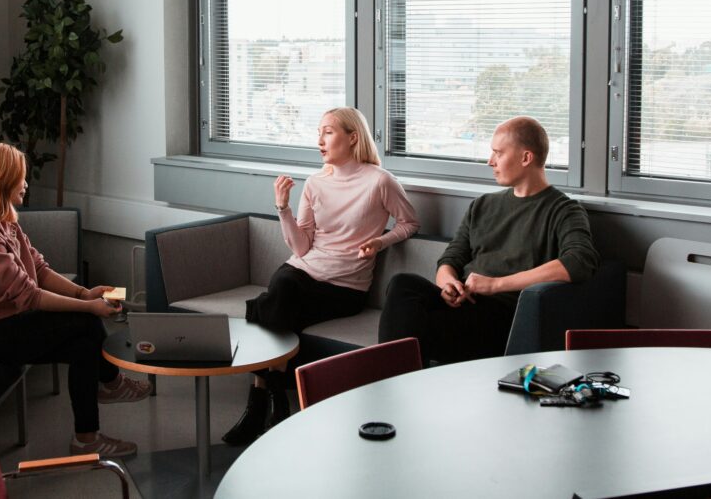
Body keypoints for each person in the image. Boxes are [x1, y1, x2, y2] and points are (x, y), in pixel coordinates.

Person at [223, 108, 420, 446]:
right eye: (318, 132)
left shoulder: (379, 181)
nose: (319, 140)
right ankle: (273, 400)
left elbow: (409, 223)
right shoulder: (315, 183)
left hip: (345, 287)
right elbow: (300, 248)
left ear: (353, 137)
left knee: (269, 306)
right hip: (303, 272)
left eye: (328, 132)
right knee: (282, 291)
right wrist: (282, 207)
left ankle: (260, 404)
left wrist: (379, 241)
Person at [0, 142, 150, 458]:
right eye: (19, 178)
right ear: (0, 181)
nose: (25, 183)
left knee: (83, 346)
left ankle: (86, 438)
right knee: (85, 321)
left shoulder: (3, 221)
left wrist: (83, 293)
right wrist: (88, 306)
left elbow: (37, 268)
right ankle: (111, 383)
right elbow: (29, 296)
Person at [378, 116, 599, 364]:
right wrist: (448, 283)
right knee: (403, 284)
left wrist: (494, 285)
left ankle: (387, 381)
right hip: (461, 305)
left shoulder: (564, 210)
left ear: (526, 158)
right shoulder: (482, 205)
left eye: (498, 153)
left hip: (501, 315)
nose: (490, 161)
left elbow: (579, 261)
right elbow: (451, 258)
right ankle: (393, 377)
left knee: (409, 337)